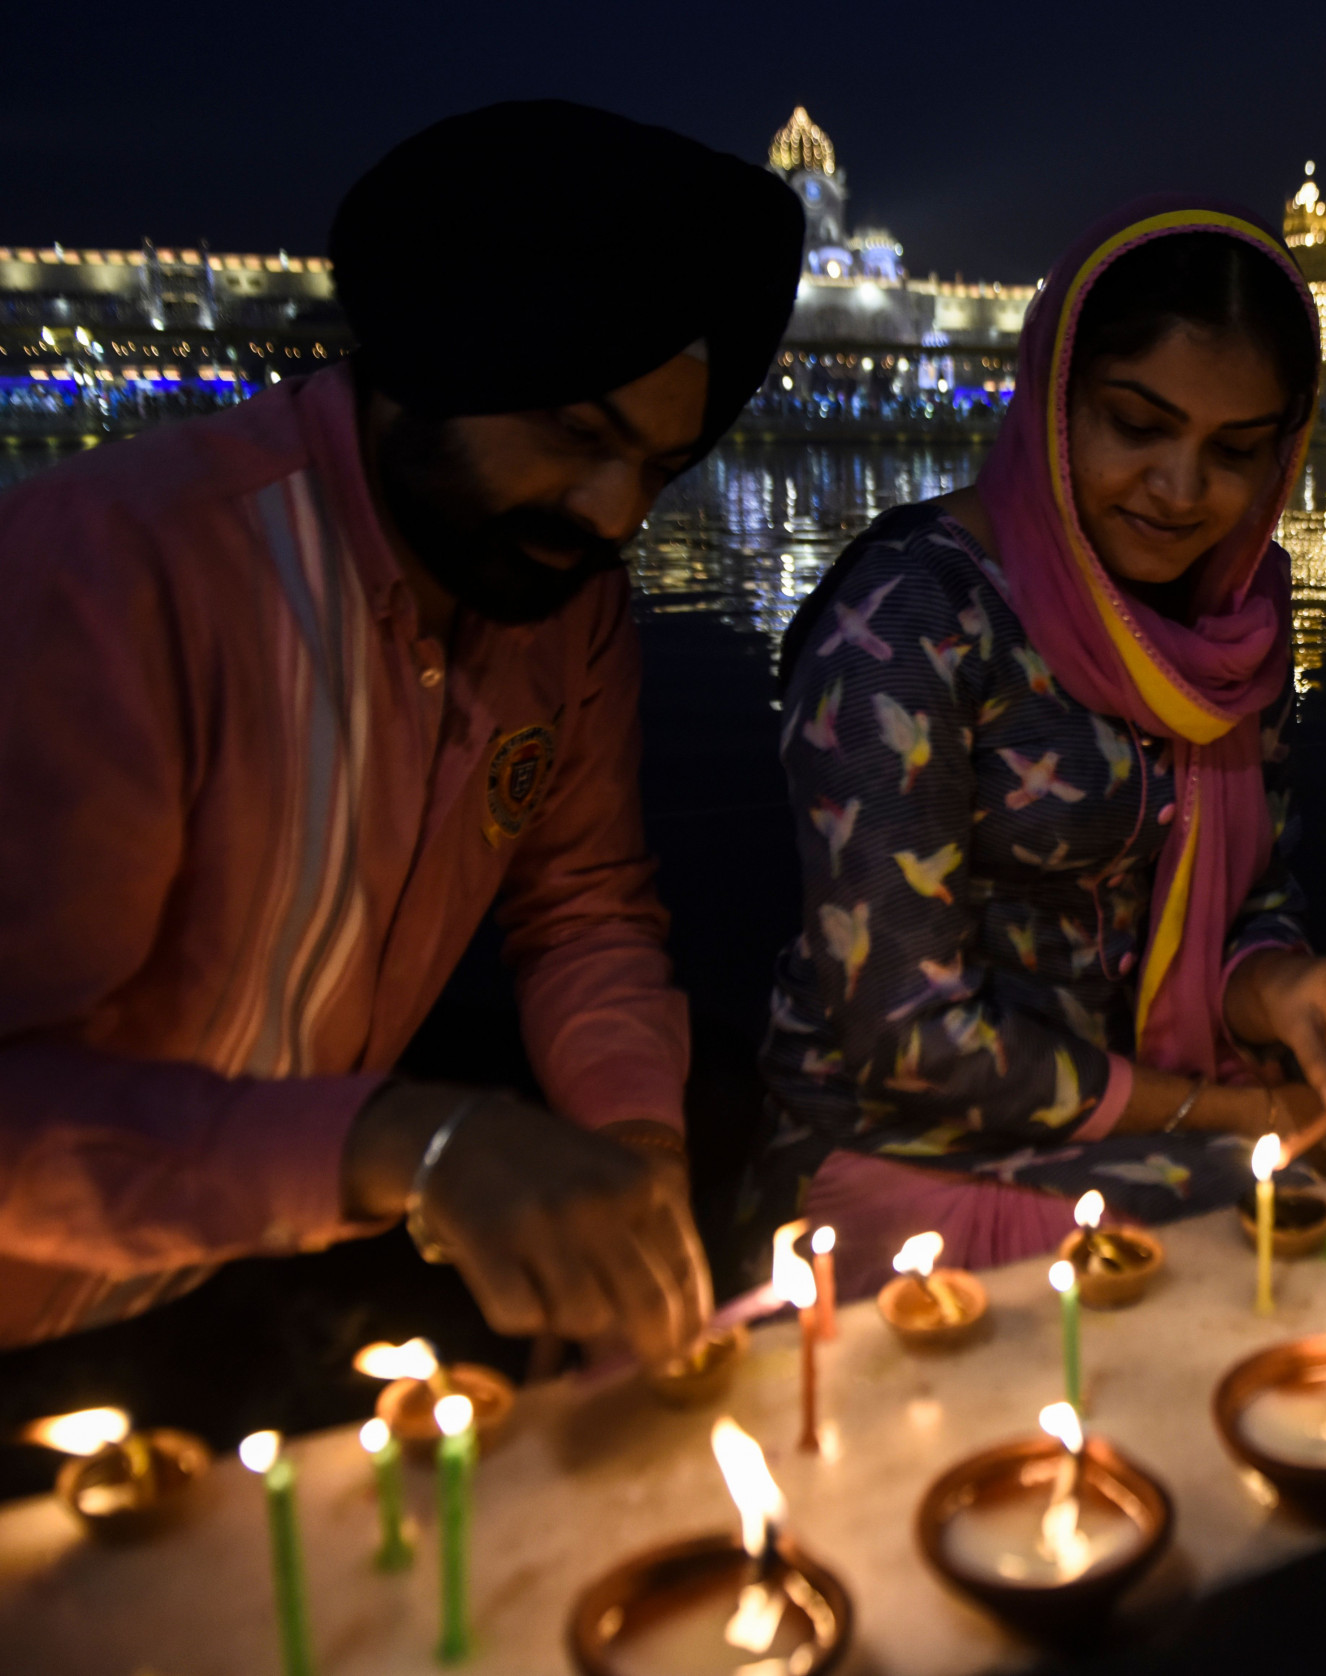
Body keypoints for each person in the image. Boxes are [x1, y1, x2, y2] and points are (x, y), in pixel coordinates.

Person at [0, 103, 801, 1398]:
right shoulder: (117, 577)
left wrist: (631, 1157)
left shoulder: (562, 603)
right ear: (438, 357)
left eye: (659, 466)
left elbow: (583, 906)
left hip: (273, 1241)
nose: (614, 516)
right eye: (577, 435)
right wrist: (411, 1144)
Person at [757, 200, 1326, 1299]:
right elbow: (912, 1037)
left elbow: (1256, 904)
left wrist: (1292, 986)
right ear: (1055, 402)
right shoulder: (911, 620)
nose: (1181, 489)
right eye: (1136, 425)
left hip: (1175, 1078)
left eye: (1234, 450)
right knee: (1309, 1224)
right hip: (917, 1130)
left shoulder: (1228, 625)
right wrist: (1239, 1111)